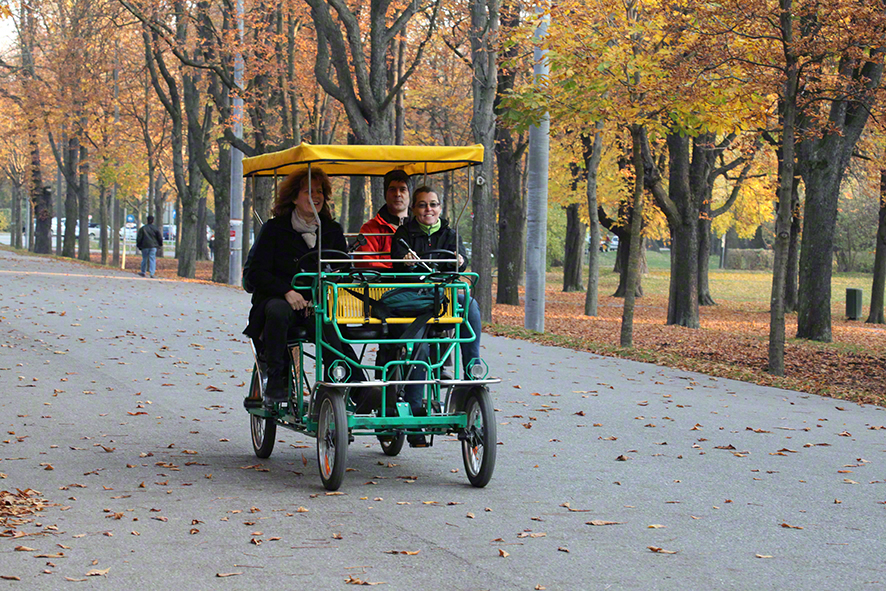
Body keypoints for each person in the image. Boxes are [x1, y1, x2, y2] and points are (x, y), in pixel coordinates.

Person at [242, 168, 355, 405]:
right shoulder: (275, 229)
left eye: (320, 191)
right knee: (278, 311)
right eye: (308, 191)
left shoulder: (332, 230)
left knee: (330, 329)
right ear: (294, 197)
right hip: (279, 301)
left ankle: (356, 388)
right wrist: (286, 291)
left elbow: (345, 272)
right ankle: (276, 379)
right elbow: (255, 274)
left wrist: (326, 290)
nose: (316, 196)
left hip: (319, 305)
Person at [390, 186, 483, 444]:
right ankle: (415, 404)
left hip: (443, 296)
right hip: (415, 298)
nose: (428, 210)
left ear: (440, 208)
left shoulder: (450, 235)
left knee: (470, 305)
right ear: (414, 209)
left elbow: (461, 261)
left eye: (433, 204)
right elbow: (395, 264)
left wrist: (459, 260)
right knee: (420, 341)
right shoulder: (403, 235)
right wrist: (405, 261)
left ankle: (472, 369)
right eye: (422, 205)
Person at [355, 169, 411, 268]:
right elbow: (366, 261)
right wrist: (396, 272)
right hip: (383, 281)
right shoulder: (370, 229)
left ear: (409, 194)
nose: (397, 194)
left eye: (403, 189)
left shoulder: (420, 227)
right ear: (385, 194)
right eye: (392, 189)